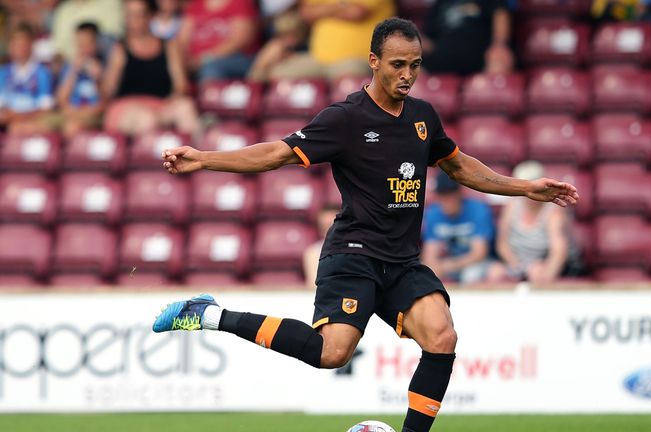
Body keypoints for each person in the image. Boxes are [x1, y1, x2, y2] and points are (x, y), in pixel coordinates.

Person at [152, 18, 578, 432]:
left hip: (402, 260)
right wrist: (205, 158)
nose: (408, 74)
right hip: (353, 255)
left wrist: (525, 188)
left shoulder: (423, 117)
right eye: (398, 64)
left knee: (441, 336)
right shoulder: (344, 119)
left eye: (415, 64)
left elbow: (462, 168)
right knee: (331, 353)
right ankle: (208, 315)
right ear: (373, 61)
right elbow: (276, 154)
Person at [101, 0, 200, 137]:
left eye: (138, 15)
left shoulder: (169, 46)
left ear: (151, 16)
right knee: (147, 119)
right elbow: (108, 91)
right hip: (127, 109)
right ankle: (154, 157)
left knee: (185, 108)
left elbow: (181, 85)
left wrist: (174, 98)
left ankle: (197, 156)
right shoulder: (120, 49)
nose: (132, 20)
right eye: (129, 15)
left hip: (159, 106)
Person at [487, 161, 583, 284]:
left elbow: (558, 251)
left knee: (536, 272)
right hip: (519, 264)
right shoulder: (512, 206)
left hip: (548, 265)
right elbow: (502, 243)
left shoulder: (554, 211)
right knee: (495, 272)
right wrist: (517, 266)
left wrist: (546, 276)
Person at [266, 0, 395, 80]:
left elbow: (356, 12)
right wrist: (342, 4)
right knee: (279, 74)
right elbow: (306, 12)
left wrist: (324, 8)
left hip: (358, 59)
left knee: (347, 81)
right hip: (318, 59)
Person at [421, 171, 495, 284]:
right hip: (447, 263)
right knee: (427, 274)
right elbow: (429, 255)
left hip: (474, 264)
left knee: (471, 275)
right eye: (442, 196)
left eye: (450, 195)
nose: (447, 201)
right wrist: (435, 268)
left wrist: (448, 266)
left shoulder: (477, 210)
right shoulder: (433, 213)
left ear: (459, 193)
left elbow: (479, 253)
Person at [422, 0, 514, 76]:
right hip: (441, 59)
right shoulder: (440, 3)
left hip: (480, 57)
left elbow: (500, 14)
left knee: (499, 61)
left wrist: (499, 45)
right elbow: (429, 41)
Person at [176, 0, 260, 82]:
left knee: (212, 69)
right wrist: (183, 60)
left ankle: (210, 95)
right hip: (197, 60)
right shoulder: (196, 5)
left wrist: (204, 59)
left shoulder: (240, 3)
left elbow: (240, 40)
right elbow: (183, 40)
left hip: (235, 57)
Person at [53, 22, 106, 139]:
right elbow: (61, 99)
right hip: (70, 113)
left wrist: (97, 79)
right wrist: (73, 72)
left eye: (86, 44)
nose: (82, 49)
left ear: (96, 44)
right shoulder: (69, 67)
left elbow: (104, 104)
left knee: (71, 127)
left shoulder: (104, 66)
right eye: (79, 44)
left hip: (92, 116)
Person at [0, 22, 55, 134]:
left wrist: (20, 116)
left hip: (31, 120)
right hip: (8, 120)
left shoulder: (42, 73)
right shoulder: (3, 72)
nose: (20, 48)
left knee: (20, 128)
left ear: (31, 45)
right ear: (10, 46)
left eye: (23, 44)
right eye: (16, 44)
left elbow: (46, 109)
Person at [50, 0, 123, 62]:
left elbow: (114, 41)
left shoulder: (111, 3)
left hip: (105, 64)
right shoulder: (63, 11)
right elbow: (59, 50)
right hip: (72, 67)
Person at [303, 204, 340, 288]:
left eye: (331, 225)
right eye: (323, 226)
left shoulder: (354, 249)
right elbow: (313, 284)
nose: (327, 230)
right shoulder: (312, 252)